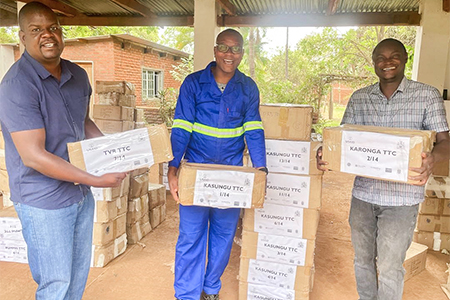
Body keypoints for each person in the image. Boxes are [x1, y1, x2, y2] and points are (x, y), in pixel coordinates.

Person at [0, 2, 127, 300]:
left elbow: (83, 123)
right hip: (43, 200)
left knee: (76, 277)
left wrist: (116, 153)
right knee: (55, 285)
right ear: (22, 37)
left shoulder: (77, 75)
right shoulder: (17, 85)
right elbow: (33, 155)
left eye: (53, 28)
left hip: (79, 193)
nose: (47, 35)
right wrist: (95, 179)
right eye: (36, 30)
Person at [317, 38, 450, 300]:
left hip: (402, 199)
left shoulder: (427, 96)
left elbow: (445, 142)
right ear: (374, 62)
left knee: (389, 267)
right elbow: (344, 140)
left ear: (405, 58)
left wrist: (432, 159)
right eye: (381, 57)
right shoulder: (360, 98)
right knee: (362, 261)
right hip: (364, 196)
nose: (387, 62)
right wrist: (326, 153)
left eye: (394, 56)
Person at [167, 29, 267, 300]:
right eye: (224, 47)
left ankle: (211, 288)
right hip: (195, 173)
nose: (229, 54)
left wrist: (261, 170)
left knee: (223, 238)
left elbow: (254, 130)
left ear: (242, 53)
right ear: (215, 50)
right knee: (191, 236)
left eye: (235, 49)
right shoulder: (193, 84)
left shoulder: (247, 88)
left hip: (231, 177)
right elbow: (181, 129)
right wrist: (173, 167)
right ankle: (187, 294)